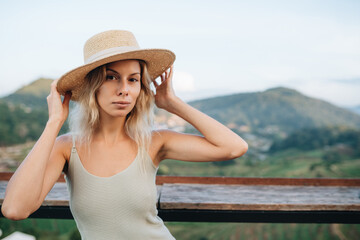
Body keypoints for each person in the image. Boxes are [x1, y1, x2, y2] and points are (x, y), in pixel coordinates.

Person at [1, 30, 248, 239]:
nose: (124, 90)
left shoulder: (153, 142)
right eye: (111, 77)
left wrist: (172, 102)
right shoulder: (66, 148)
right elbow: (15, 209)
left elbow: (234, 147)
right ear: (92, 86)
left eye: (133, 80)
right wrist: (53, 122)